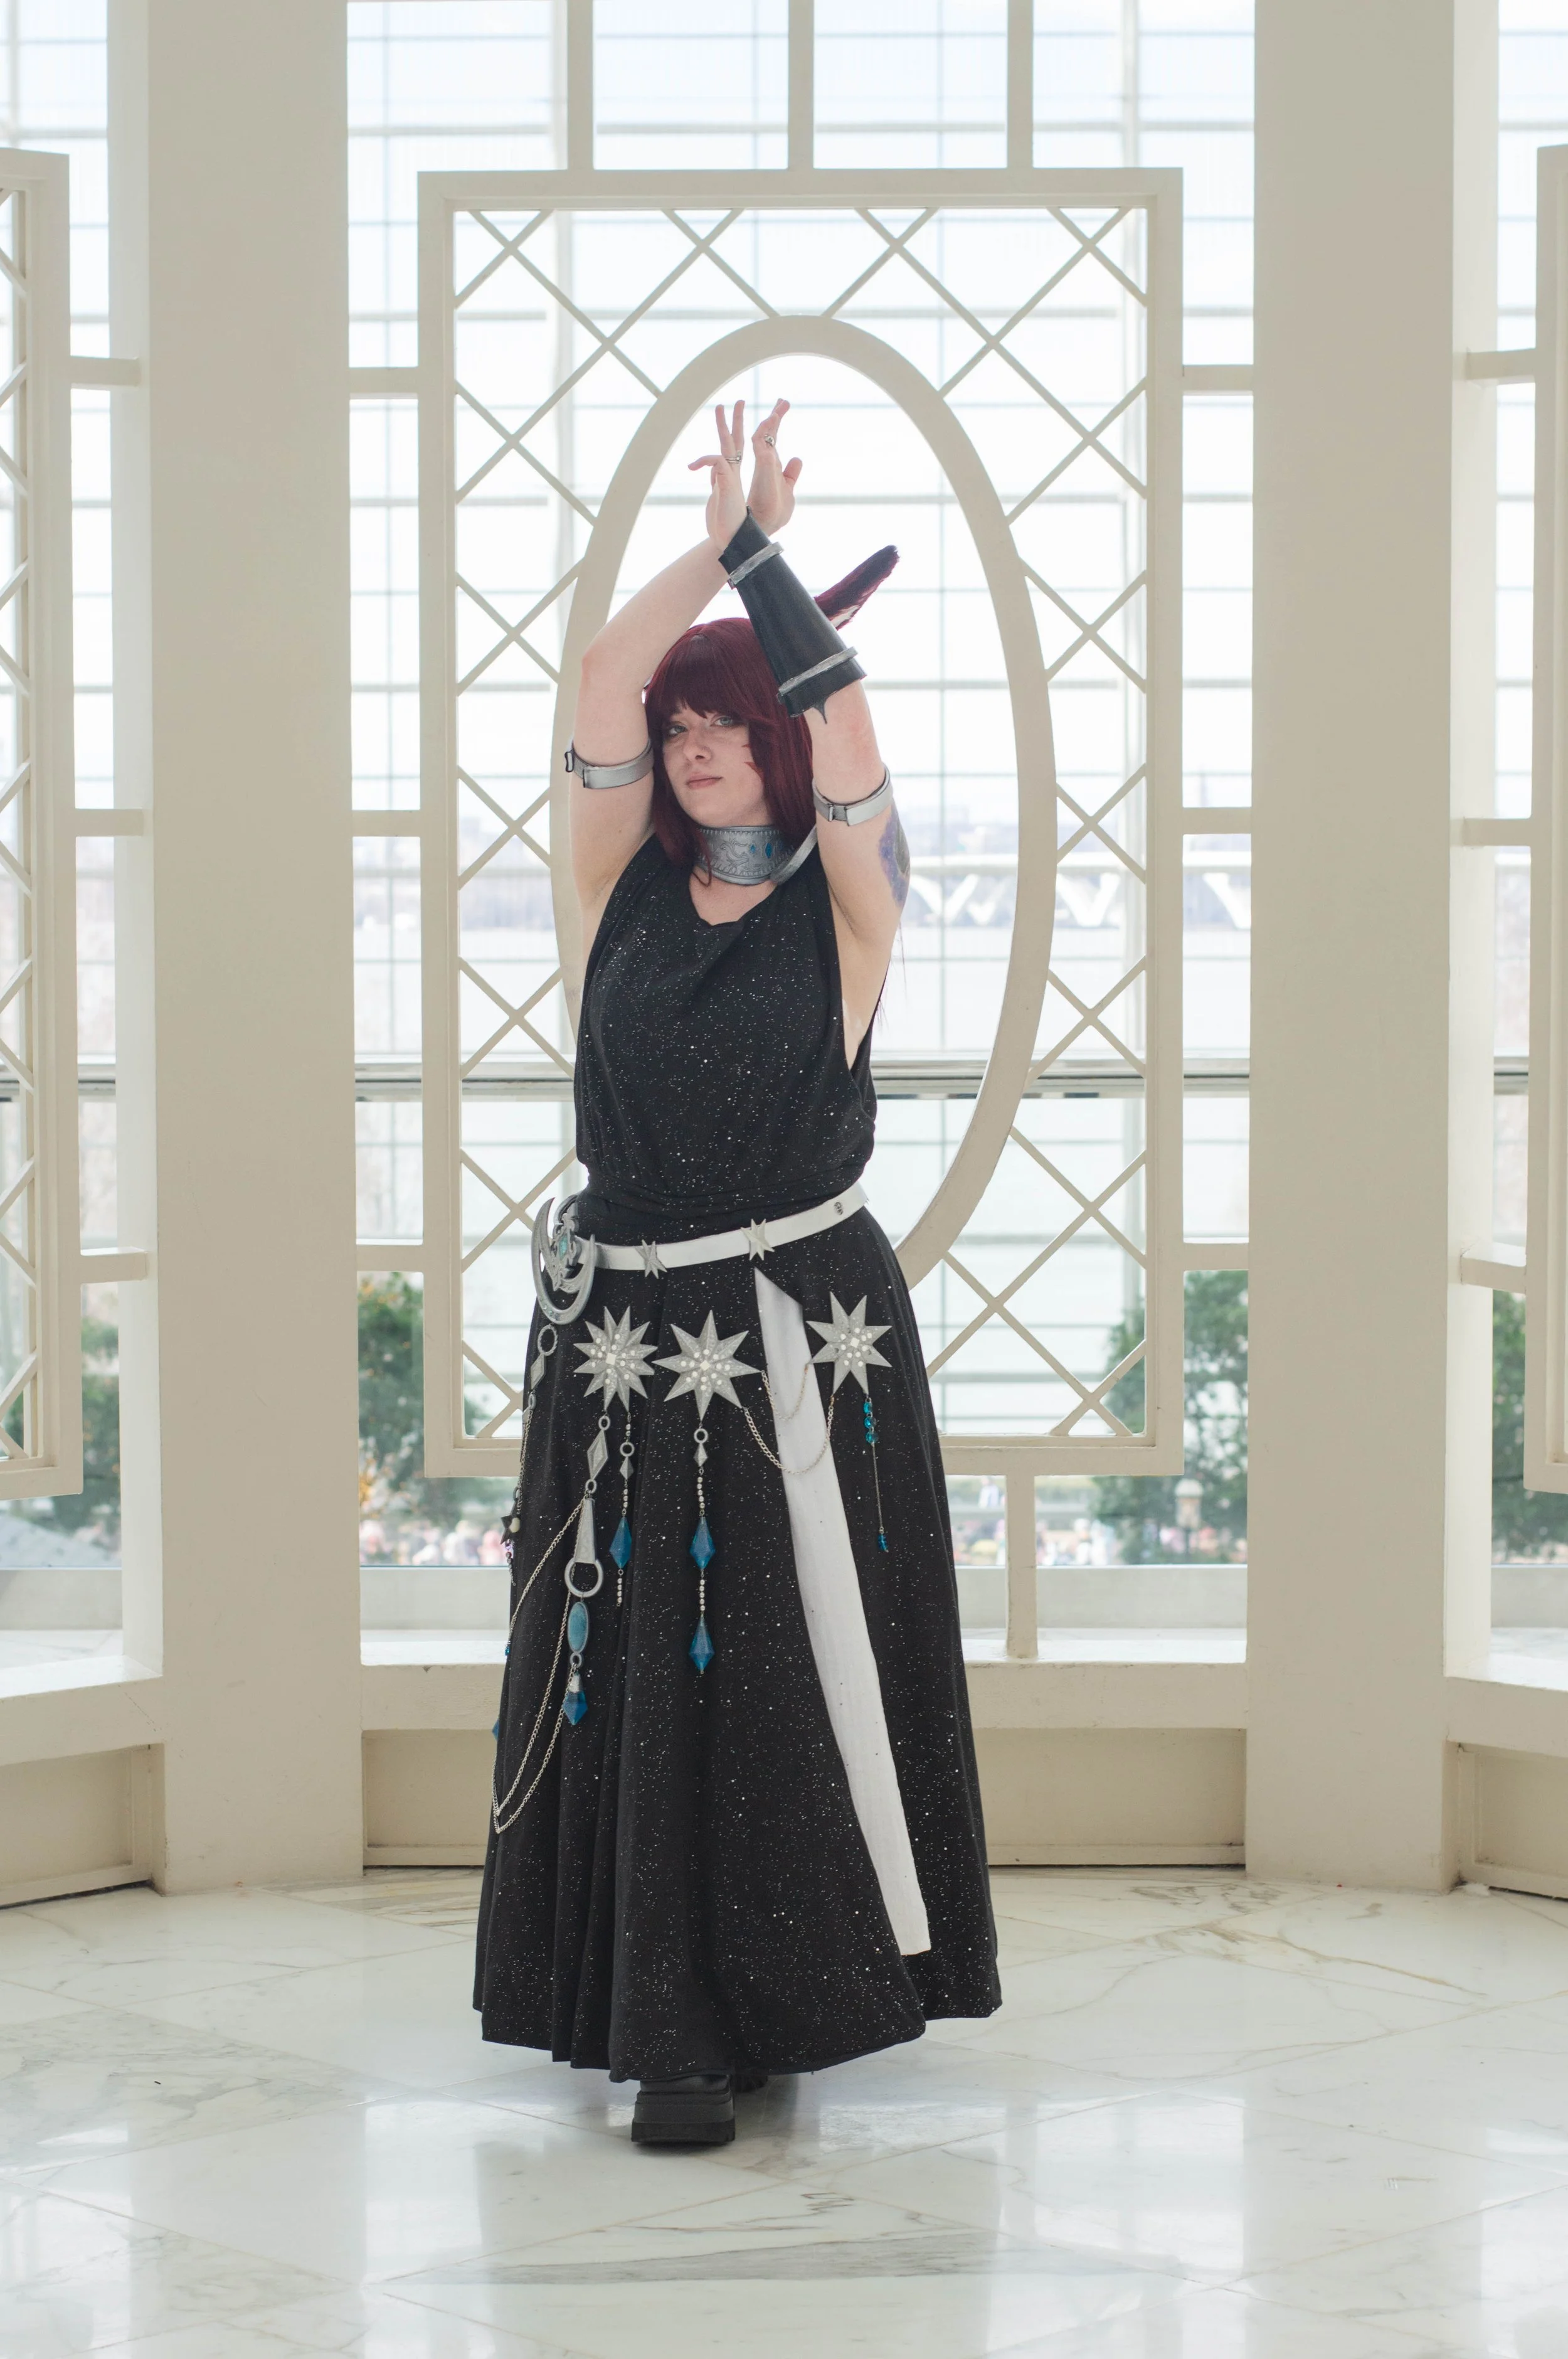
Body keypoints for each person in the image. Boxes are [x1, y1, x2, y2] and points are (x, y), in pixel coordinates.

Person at [473, 397, 1000, 2146]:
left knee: (782, 1660)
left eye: (723, 723)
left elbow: (848, 745)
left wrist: (774, 577)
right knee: (627, 1660)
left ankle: (779, 1997)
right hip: (623, 1326)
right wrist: (712, 540)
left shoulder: (852, 908)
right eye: (681, 726)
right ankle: (659, 2023)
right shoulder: (612, 878)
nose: (693, 746)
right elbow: (590, 692)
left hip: (802, 1325)